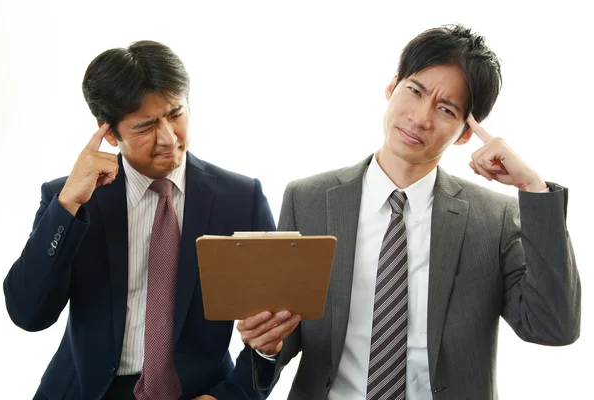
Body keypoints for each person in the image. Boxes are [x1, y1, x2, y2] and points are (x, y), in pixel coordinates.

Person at [237, 24, 581, 400]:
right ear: (392, 87)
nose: (420, 117)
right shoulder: (308, 199)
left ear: (465, 133)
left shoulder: (493, 219)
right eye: (414, 91)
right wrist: (267, 345)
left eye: (446, 108)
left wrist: (533, 188)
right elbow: (289, 333)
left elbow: (553, 327)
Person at [3, 40, 276, 400]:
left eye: (176, 114)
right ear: (110, 133)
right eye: (146, 126)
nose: (168, 138)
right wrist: (67, 205)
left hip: (198, 392)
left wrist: (230, 396)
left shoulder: (241, 199)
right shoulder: (71, 199)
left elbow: (277, 327)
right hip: (86, 391)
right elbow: (28, 313)